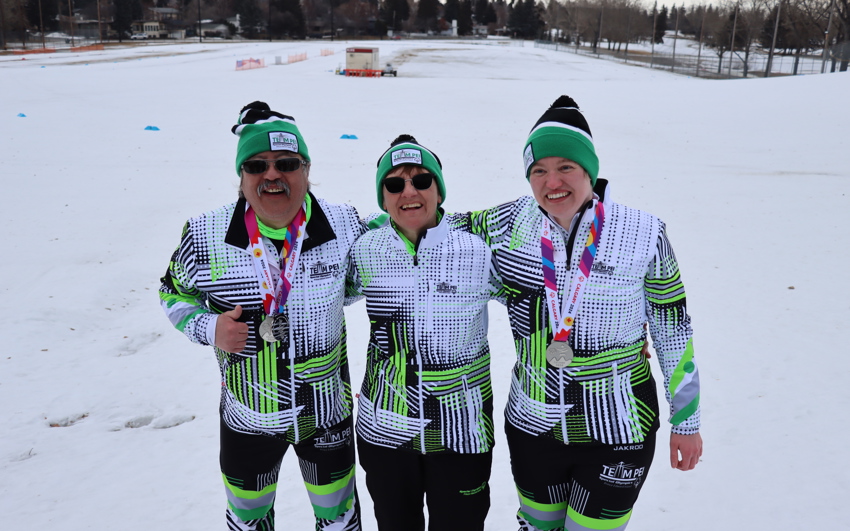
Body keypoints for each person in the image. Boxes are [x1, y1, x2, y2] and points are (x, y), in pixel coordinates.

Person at [452, 96, 702, 531]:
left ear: (589, 169)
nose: (552, 182)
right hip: (534, 423)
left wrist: (688, 420)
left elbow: (672, 328)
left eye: (565, 166)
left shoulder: (643, 232)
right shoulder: (505, 224)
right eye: (538, 171)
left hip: (620, 425)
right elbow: (424, 229)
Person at [159, 101, 363, 531]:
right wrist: (208, 326)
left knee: (339, 521)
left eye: (286, 163)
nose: (272, 174)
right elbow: (172, 293)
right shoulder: (206, 233)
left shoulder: (345, 225)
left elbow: (387, 259)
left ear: (306, 170)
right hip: (247, 418)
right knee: (247, 521)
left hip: (325, 415)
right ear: (242, 176)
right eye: (257, 165)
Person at [348, 135, 504, 531]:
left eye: (421, 180)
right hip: (384, 431)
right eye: (395, 184)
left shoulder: (477, 249)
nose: (409, 192)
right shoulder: (365, 250)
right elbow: (318, 296)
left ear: (439, 190)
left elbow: (534, 300)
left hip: (462, 434)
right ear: (383, 198)